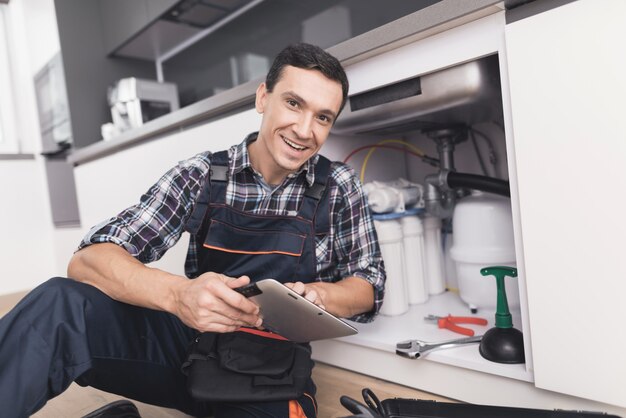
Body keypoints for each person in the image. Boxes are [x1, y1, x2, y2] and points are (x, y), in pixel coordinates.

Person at [0, 43, 385, 418]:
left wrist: (321, 295)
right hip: (190, 349)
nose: (304, 130)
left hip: (273, 368)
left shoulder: (338, 184)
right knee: (59, 304)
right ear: (263, 98)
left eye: (323, 117)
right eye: (293, 103)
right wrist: (178, 294)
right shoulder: (202, 175)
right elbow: (88, 261)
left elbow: (368, 284)